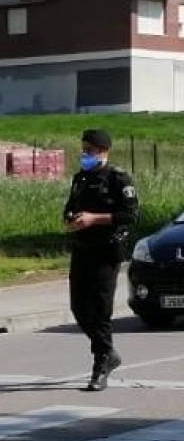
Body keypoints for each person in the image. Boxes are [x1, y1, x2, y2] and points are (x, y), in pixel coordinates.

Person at [64, 129, 139, 392]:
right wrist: (71, 221)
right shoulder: (80, 179)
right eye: (83, 150)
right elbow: (70, 208)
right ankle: (108, 352)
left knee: (100, 309)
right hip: (82, 249)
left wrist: (94, 219)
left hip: (106, 252)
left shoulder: (118, 179)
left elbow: (129, 215)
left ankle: (101, 363)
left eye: (90, 150)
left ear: (104, 151)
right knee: (78, 308)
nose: (85, 155)